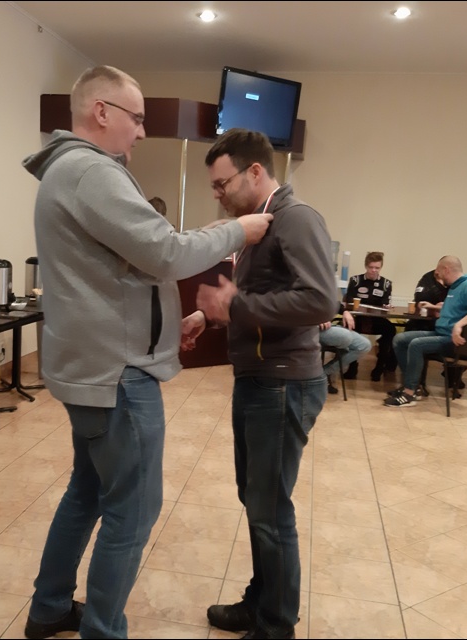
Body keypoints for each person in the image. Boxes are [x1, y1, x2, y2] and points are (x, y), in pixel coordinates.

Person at [20, 66, 273, 640]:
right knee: (132, 512)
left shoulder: (68, 170)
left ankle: (49, 607)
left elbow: (123, 270)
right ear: (101, 112)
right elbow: (164, 254)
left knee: (87, 492)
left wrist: (161, 329)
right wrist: (239, 230)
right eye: (136, 118)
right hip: (117, 377)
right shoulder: (91, 171)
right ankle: (103, 631)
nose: (140, 131)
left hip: (94, 368)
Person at [182, 128, 338, 640]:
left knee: (270, 510)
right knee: (256, 501)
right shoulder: (259, 226)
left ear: (254, 172)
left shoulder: (296, 218)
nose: (217, 194)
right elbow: (258, 300)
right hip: (259, 380)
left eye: (222, 183)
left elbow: (320, 300)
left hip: (282, 383)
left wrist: (237, 305)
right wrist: (211, 316)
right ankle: (262, 602)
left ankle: (275, 626)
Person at [384, 255, 467, 408]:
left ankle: (409, 393)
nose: (437, 276)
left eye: (438, 273)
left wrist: (459, 325)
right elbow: (457, 309)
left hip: (456, 342)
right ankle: (414, 386)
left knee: (416, 344)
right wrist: (436, 307)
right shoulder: (455, 287)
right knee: (400, 340)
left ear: (446, 269)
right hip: (442, 333)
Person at [342, 251, 396, 380]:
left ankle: (379, 368)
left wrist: (387, 306)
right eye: (371, 267)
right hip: (358, 319)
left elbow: (385, 303)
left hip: (376, 320)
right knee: (345, 328)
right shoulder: (355, 280)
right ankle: (352, 367)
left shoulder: (386, 284)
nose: (374, 270)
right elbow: (348, 301)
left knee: (391, 330)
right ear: (366, 266)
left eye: (377, 268)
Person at [318, 321, 372, 393]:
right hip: (314, 327)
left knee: (364, 345)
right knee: (345, 336)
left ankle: (323, 373)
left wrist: (345, 313)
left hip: (335, 326)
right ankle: (317, 378)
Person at [404, 267, 449, 332]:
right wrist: (435, 307)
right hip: (421, 321)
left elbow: (451, 307)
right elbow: (420, 300)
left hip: (442, 326)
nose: (436, 272)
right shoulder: (428, 277)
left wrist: (433, 306)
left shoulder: (455, 282)